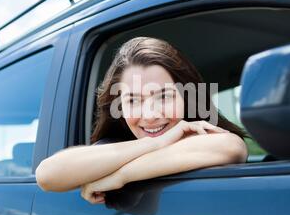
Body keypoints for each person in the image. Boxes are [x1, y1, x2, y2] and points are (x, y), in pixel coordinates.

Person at [36, 37, 248, 204]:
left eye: (164, 96)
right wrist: (154, 143)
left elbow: (232, 146)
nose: (149, 114)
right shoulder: (118, 148)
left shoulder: (201, 134)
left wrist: (122, 176)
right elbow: (48, 174)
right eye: (133, 100)